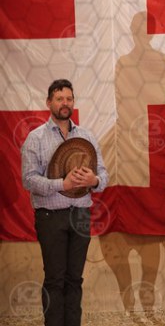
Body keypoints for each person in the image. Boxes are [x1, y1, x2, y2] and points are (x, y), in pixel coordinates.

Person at [21, 79, 109, 326]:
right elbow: (28, 180)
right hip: (50, 217)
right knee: (54, 280)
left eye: (69, 99)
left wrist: (93, 180)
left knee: (75, 280)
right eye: (59, 99)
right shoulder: (35, 138)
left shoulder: (86, 136)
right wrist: (63, 184)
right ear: (49, 103)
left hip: (80, 216)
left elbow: (104, 175)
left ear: (73, 102)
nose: (65, 103)